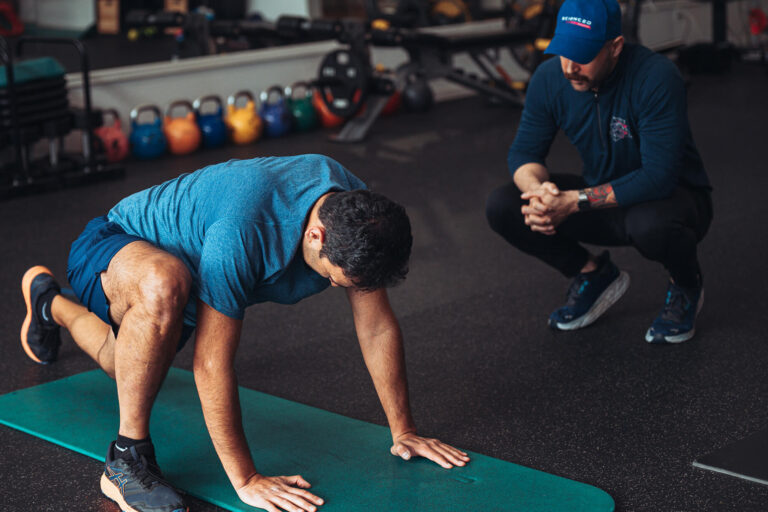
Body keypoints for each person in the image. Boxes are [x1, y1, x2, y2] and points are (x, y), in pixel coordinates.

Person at [20, 154, 469, 512]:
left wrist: (403, 430)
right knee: (164, 282)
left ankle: (47, 302)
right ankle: (126, 460)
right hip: (119, 244)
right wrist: (247, 479)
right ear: (315, 234)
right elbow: (211, 364)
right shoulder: (244, 232)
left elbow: (375, 325)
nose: (333, 286)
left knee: (121, 365)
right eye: (334, 279)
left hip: (192, 271)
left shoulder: (354, 212)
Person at [485, 0, 712, 343]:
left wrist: (572, 202)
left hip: (672, 201)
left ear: (615, 47)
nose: (570, 67)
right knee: (504, 204)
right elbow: (524, 153)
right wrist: (538, 192)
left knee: (649, 225)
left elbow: (657, 177)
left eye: (584, 55)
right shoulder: (549, 78)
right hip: (601, 199)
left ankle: (686, 284)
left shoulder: (656, 77)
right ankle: (592, 274)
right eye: (564, 51)